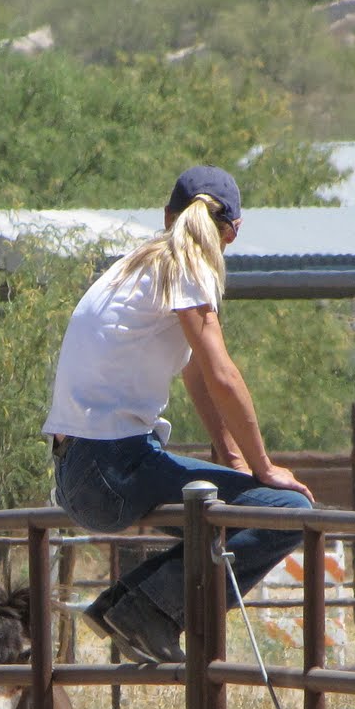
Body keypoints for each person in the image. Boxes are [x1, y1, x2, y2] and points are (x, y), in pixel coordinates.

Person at [42, 165, 314, 664]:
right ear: (232, 230)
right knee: (290, 514)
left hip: (78, 472)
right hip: (113, 467)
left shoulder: (134, 267)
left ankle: (129, 606)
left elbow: (193, 375)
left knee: (228, 514)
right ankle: (149, 611)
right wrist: (264, 467)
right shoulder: (189, 266)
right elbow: (221, 375)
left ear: (166, 215)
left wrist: (232, 458)